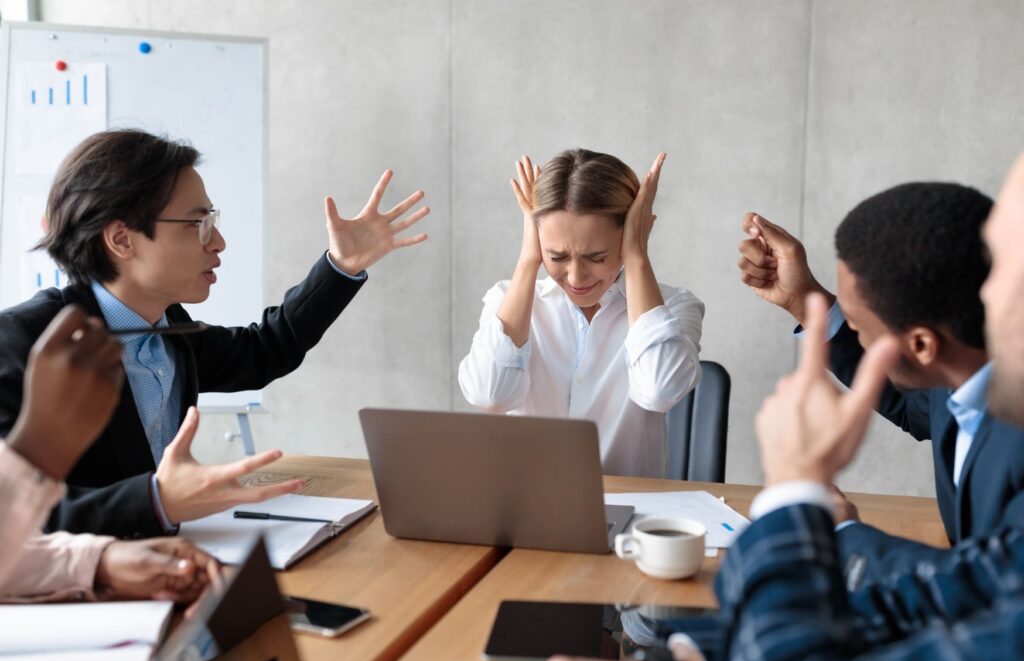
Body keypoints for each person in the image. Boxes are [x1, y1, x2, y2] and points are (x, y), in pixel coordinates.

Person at [506, 154, 1024, 661]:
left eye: (997, 269)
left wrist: (795, 497)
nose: (977, 293)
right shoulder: (974, 391)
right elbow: (953, 591)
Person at [0, 129, 429, 539]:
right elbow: (17, 516)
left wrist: (341, 265)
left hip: (163, 563)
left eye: (213, 220)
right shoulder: (22, 344)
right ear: (122, 240)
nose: (219, 241)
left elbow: (265, 350)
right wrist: (155, 501)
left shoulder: (168, 327)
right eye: (197, 223)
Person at [736, 183, 1024, 584]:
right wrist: (804, 300)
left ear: (922, 343)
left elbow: (985, 588)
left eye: (856, 324)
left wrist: (840, 529)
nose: (854, 332)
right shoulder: (958, 372)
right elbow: (909, 404)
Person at [458, 150, 703, 478]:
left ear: (631, 233)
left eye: (597, 257)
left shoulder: (672, 308)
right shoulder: (506, 301)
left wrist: (637, 257)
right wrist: (529, 259)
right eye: (557, 256)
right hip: (528, 511)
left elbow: (659, 390)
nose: (575, 278)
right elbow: (490, 396)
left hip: (631, 514)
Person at [1, 305, 217, 603]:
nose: (219, 253)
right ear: (123, 252)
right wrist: (39, 448)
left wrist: (100, 563)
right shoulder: (21, 332)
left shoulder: (177, 327)